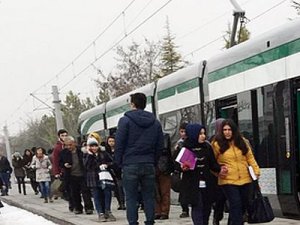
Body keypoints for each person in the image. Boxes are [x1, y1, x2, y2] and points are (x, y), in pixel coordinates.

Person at [115, 92, 164, 225]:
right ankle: (149, 221)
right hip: (148, 163)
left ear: (132, 104)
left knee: (131, 198)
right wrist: (153, 160)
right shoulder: (155, 122)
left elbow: (119, 143)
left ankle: (133, 222)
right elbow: (160, 145)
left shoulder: (125, 121)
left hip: (130, 164)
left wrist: (118, 163)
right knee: (149, 196)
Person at [212, 119, 260, 225]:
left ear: (234, 130)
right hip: (227, 180)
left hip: (245, 178)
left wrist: (256, 171)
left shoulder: (242, 142)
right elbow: (212, 163)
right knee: (235, 204)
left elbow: (250, 157)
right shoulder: (216, 144)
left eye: (229, 129)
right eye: (224, 130)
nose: (227, 132)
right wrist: (218, 171)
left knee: (243, 204)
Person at [179, 123, 226, 225]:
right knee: (197, 207)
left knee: (207, 208)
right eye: (200, 134)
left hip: (207, 183)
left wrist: (221, 169)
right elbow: (176, 164)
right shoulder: (185, 148)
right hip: (192, 184)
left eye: (204, 133)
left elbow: (213, 164)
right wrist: (182, 167)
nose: (203, 136)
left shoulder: (207, 147)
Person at [84, 136, 116, 222]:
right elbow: (86, 166)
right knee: (96, 195)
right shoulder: (86, 155)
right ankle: (100, 213)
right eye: (92, 146)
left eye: (95, 145)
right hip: (93, 177)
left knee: (107, 193)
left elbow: (112, 161)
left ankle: (107, 210)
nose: (94, 148)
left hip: (104, 176)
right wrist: (90, 156)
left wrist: (106, 165)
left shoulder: (103, 153)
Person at [59, 136, 94, 215]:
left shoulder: (81, 151)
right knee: (74, 193)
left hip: (83, 174)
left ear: (74, 143)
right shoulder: (63, 153)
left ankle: (88, 208)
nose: (69, 147)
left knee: (86, 192)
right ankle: (78, 208)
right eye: (66, 145)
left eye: (70, 145)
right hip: (71, 175)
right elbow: (60, 163)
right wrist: (65, 165)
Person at [173, 122, 189, 218]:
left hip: (191, 170)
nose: (183, 134)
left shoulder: (192, 142)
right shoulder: (178, 144)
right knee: (183, 192)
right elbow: (175, 159)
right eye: (181, 131)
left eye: (185, 132)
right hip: (182, 170)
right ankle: (185, 209)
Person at [155, 133, 173, 220]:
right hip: (153, 166)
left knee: (164, 191)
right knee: (155, 191)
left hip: (164, 166)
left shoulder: (165, 137)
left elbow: (168, 152)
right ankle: (157, 211)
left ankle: (164, 211)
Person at [105, 135, 126, 210]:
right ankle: (120, 203)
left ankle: (122, 202)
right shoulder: (106, 151)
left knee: (120, 187)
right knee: (116, 188)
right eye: (110, 141)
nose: (111, 143)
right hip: (111, 171)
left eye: (113, 141)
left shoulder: (119, 150)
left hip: (119, 170)